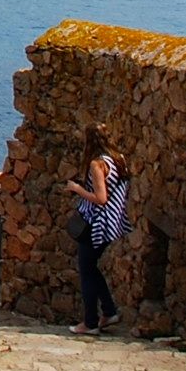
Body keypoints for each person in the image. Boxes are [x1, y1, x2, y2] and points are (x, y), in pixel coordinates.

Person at [64, 122, 130, 333]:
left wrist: (77, 189)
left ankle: (90, 322)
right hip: (113, 221)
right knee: (91, 268)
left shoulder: (97, 165)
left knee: (86, 272)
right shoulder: (119, 159)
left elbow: (101, 198)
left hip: (96, 224)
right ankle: (109, 312)